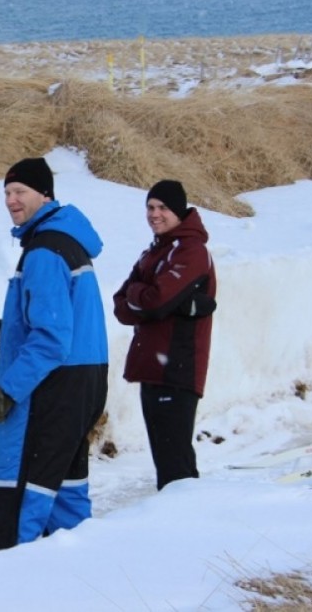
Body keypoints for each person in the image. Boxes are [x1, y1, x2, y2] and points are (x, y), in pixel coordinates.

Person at [0, 157, 108, 551]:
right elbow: (60, 320)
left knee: (20, 495)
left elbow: (51, 339)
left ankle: (6, 576)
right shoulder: (67, 242)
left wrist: (8, 391)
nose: (11, 200)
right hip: (83, 382)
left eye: (20, 191)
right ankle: (74, 575)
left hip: (54, 387)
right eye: (7, 192)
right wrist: (6, 328)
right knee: (65, 496)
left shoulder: (45, 251)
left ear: (45, 195)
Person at [112, 180, 217, 491]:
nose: (154, 214)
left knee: (176, 465)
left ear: (179, 211)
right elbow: (121, 307)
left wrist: (143, 295)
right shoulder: (155, 252)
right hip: (153, 369)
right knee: (165, 461)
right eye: (150, 207)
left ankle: (188, 517)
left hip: (177, 369)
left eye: (163, 208)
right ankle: (178, 516)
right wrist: (146, 296)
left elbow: (155, 302)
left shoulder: (191, 251)